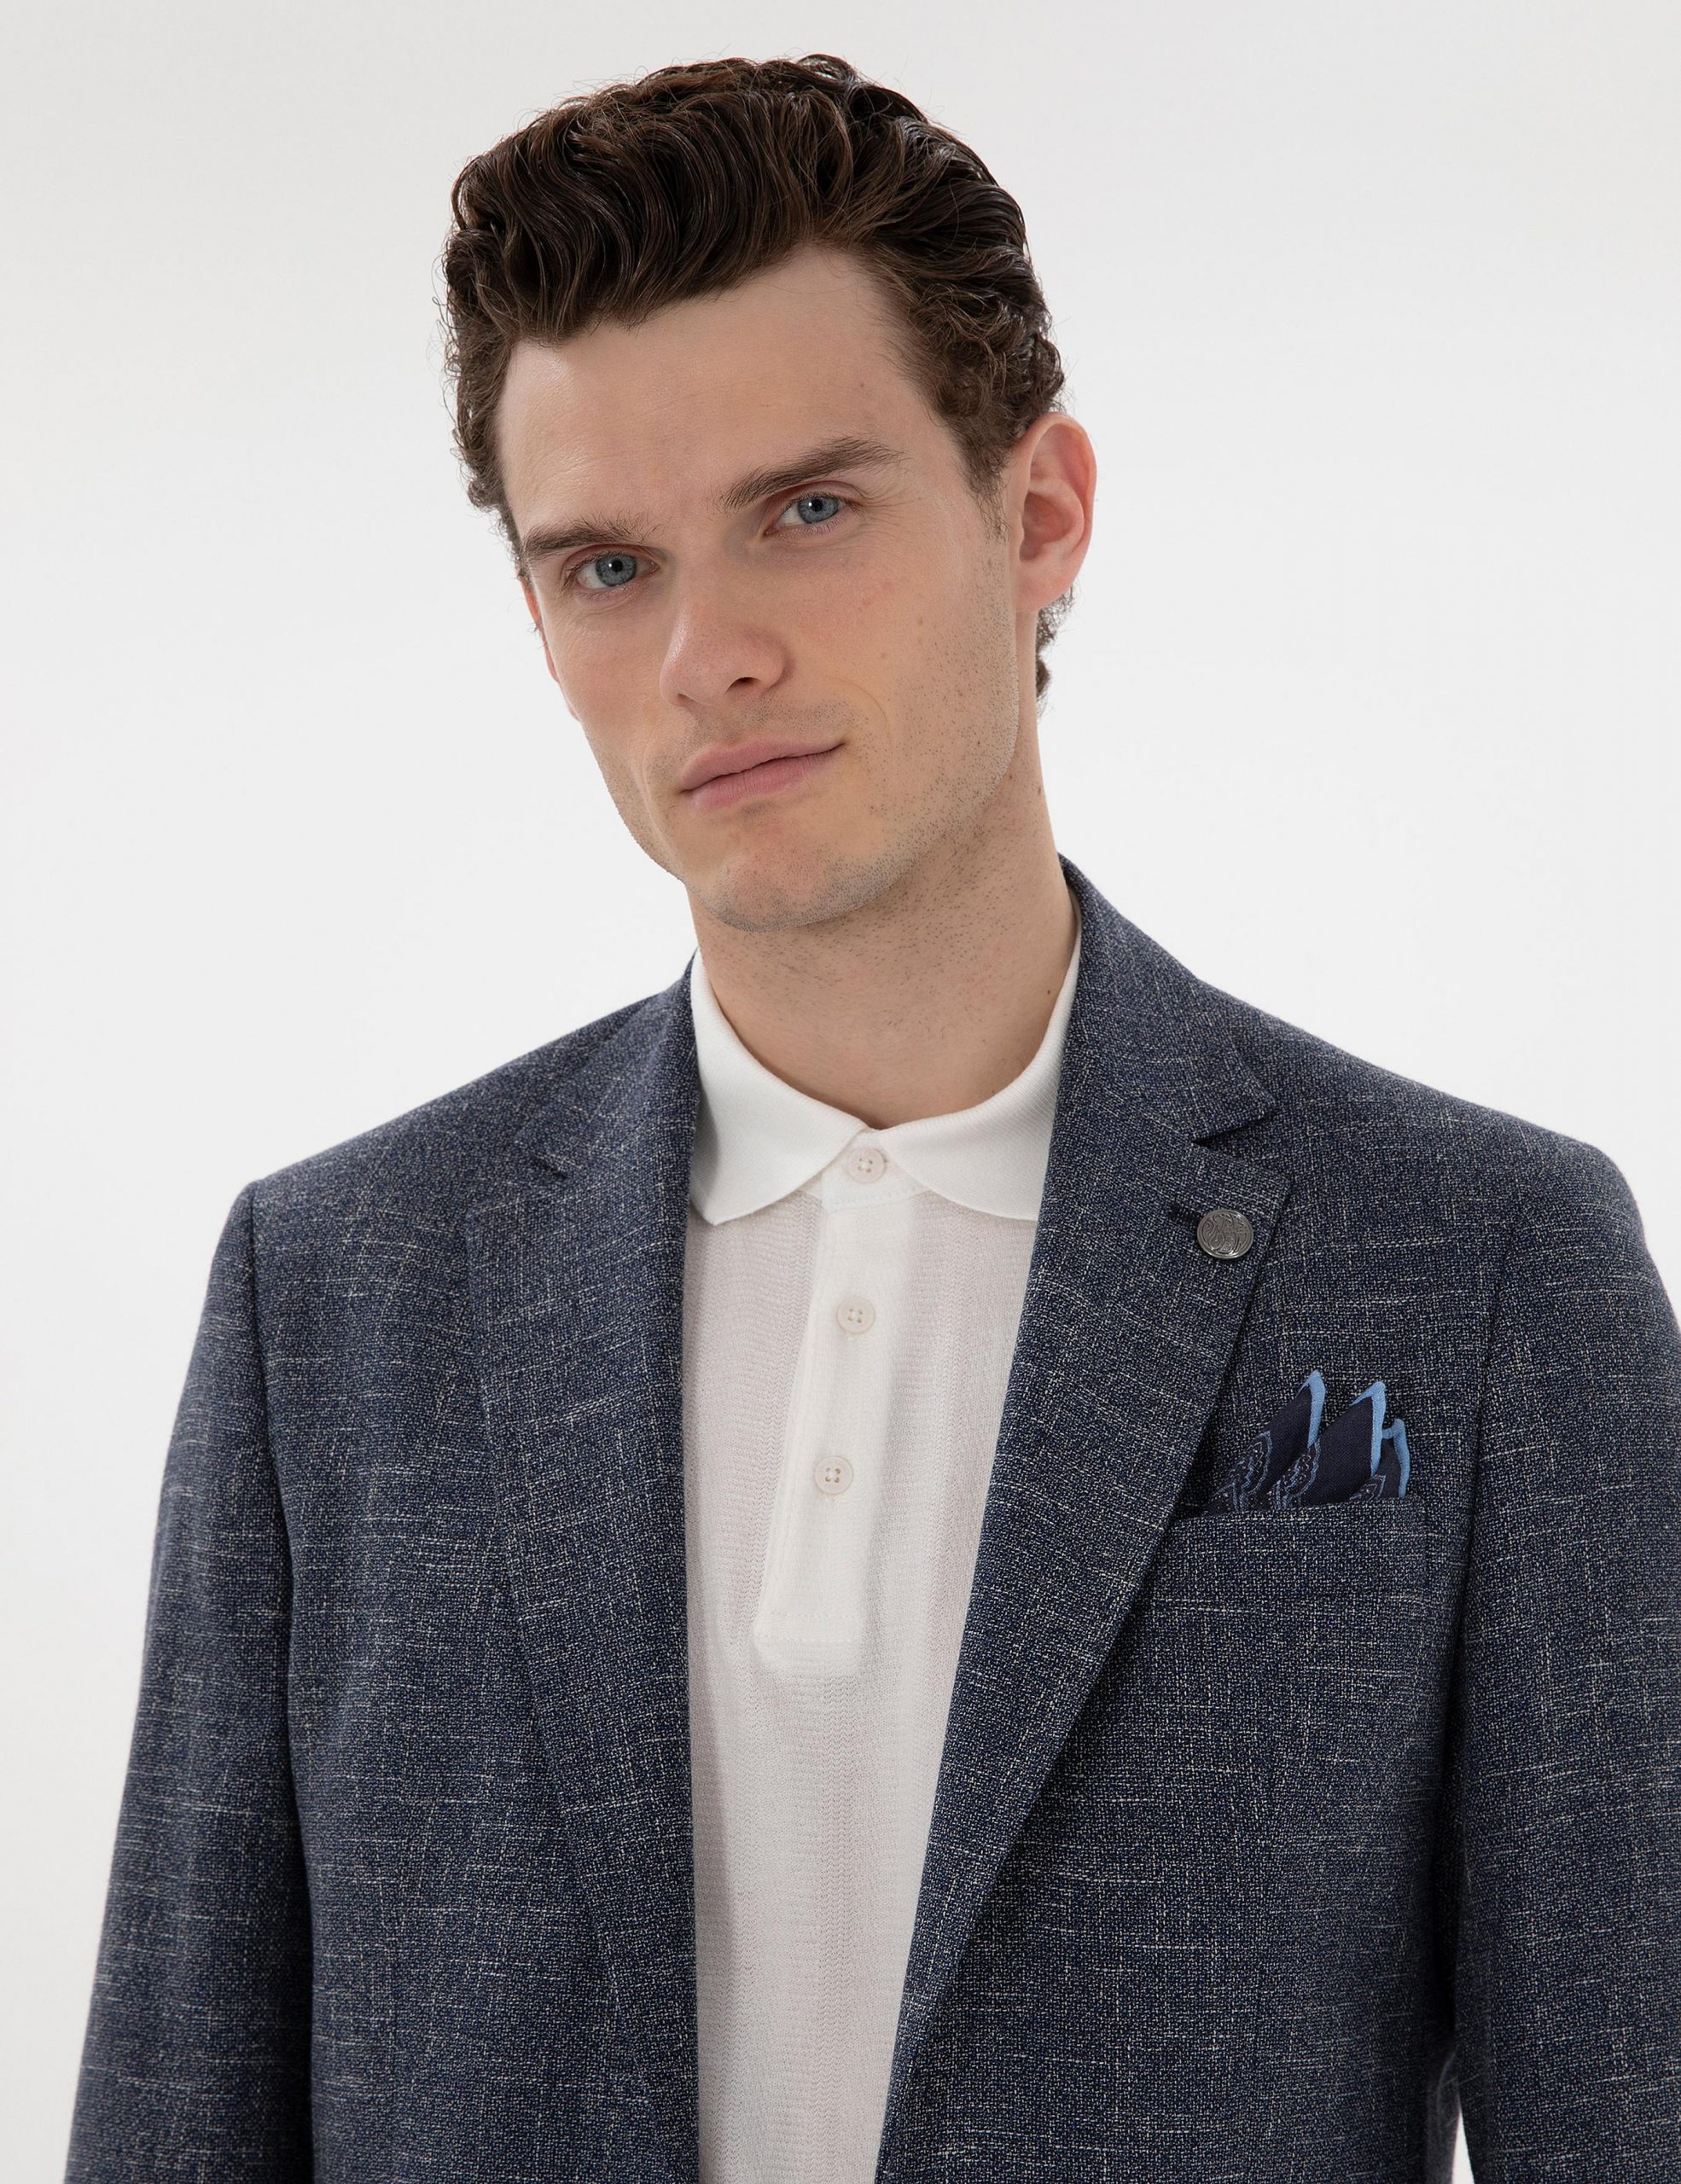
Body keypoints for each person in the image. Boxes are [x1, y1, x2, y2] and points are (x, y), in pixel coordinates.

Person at [66, 51, 1679, 2184]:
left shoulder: (1473, 1262)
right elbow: (173, 2116)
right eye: (606, 565)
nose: (706, 654)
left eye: (805, 511)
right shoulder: (339, 1294)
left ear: (1039, 511)